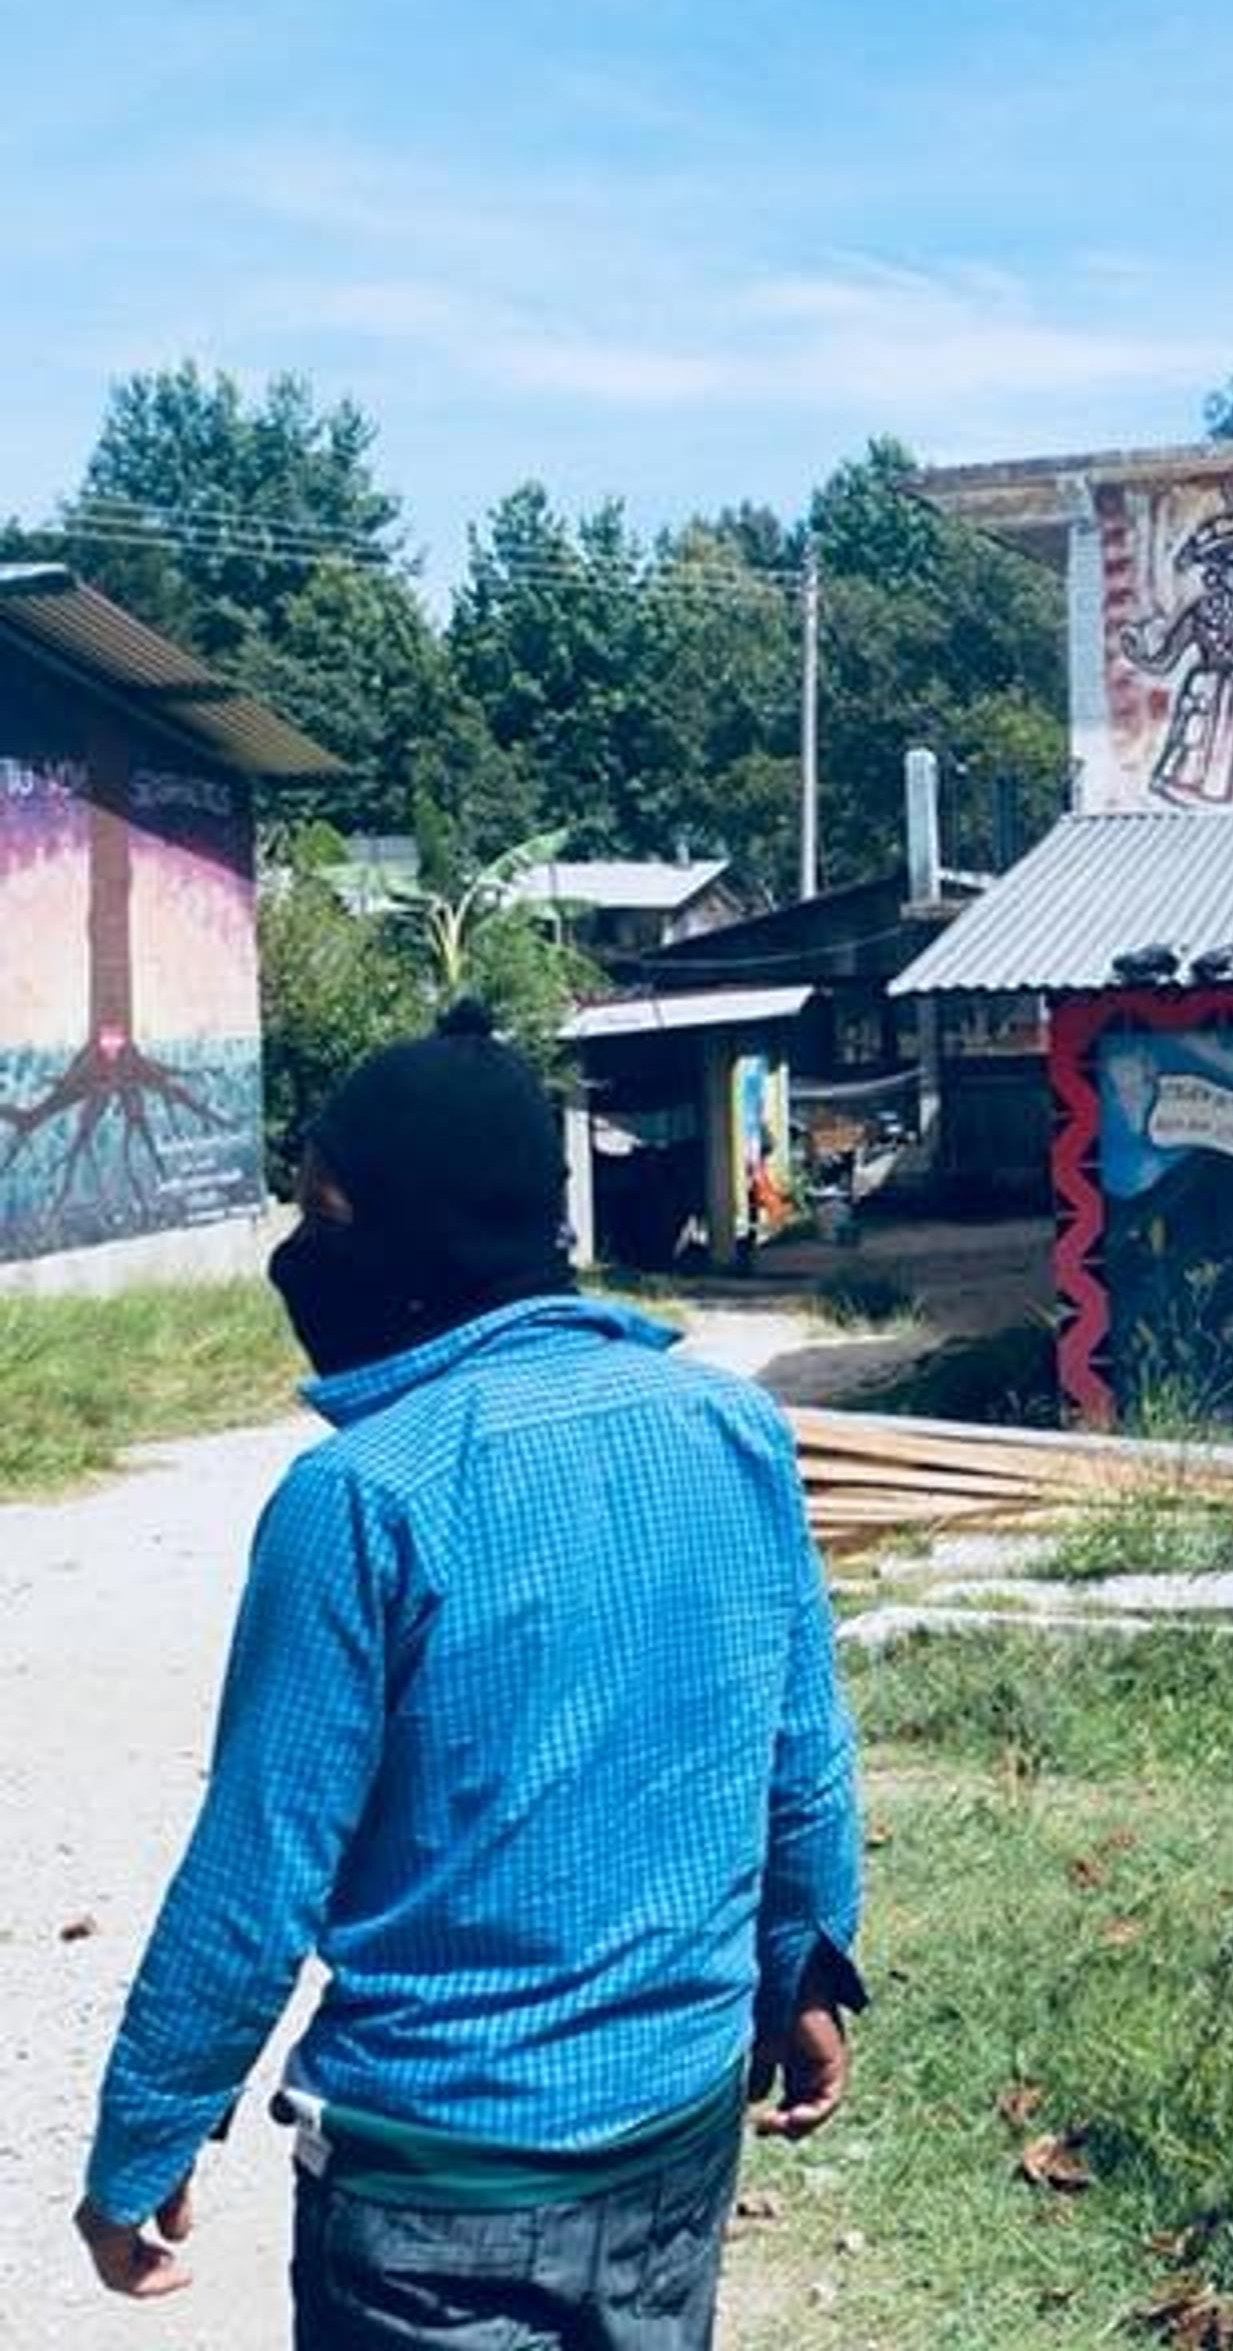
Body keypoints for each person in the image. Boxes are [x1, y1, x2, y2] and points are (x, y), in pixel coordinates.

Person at [72, 1002, 863, 2345]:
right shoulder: (731, 1426)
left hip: (435, 2197)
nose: (300, 1249)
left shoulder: (360, 1496)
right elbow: (806, 1753)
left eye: (323, 1211)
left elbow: (259, 1870)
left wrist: (147, 2132)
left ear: (410, 1224)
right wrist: (804, 1966)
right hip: (674, 2137)